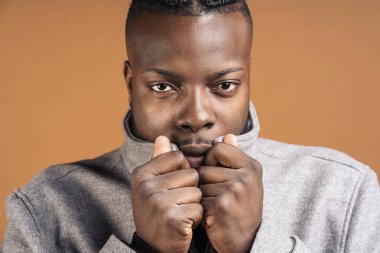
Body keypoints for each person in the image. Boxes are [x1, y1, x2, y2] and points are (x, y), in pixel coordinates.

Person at [2, 0, 380, 252]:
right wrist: (145, 249)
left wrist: (253, 243)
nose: (197, 116)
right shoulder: (46, 208)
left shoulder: (344, 192)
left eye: (224, 86)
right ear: (130, 82)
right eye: (163, 86)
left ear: (247, 79)